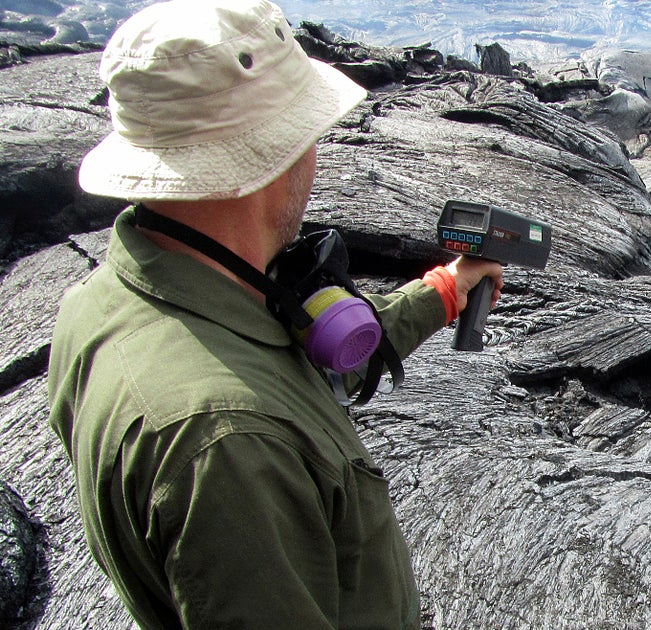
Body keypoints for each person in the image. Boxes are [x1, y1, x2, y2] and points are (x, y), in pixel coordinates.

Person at [46, 0, 502, 627]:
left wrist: (444, 290)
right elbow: (252, 407)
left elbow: (290, 361)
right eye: (308, 132)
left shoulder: (102, 304)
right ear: (272, 156)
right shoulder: (231, 447)